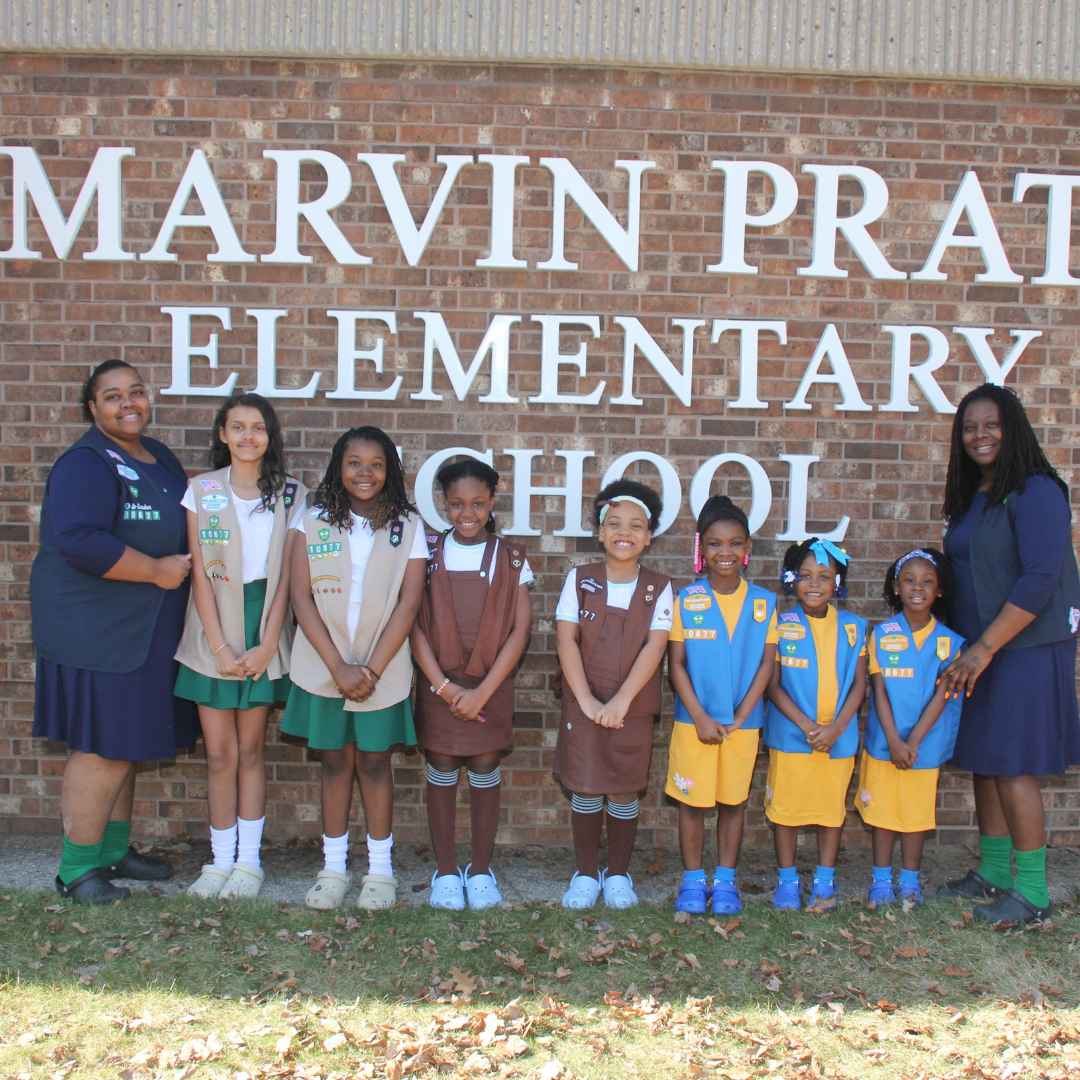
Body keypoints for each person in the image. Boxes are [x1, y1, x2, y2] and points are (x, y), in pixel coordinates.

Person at [31, 360, 195, 904]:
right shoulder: (86, 462)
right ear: (92, 408)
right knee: (102, 744)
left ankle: (112, 851)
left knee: (125, 739)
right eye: (113, 396)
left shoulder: (159, 456)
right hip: (98, 629)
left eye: (136, 392)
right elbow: (78, 539)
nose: (128, 403)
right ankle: (76, 869)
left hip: (146, 625)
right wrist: (154, 570)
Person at [938, 384, 1080, 923]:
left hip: (1023, 646)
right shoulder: (975, 493)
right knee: (986, 758)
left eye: (991, 424)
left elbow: (1041, 577)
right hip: (978, 646)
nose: (980, 435)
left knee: (1014, 763)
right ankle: (994, 872)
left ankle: (1034, 893)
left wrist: (984, 648)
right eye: (970, 427)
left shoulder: (1037, 491)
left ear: (1012, 427)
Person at [281, 426, 427, 911]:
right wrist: (339, 667)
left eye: (376, 464)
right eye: (354, 463)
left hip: (381, 669)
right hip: (325, 665)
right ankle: (334, 869)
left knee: (376, 762)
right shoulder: (313, 518)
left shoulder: (407, 524)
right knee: (333, 762)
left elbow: (409, 603)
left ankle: (380, 872)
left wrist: (371, 671)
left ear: (391, 472)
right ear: (338, 468)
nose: (365, 473)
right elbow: (300, 597)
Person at [175, 393, 307, 901]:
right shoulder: (202, 490)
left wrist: (269, 641)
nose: (248, 436)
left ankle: (249, 862)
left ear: (270, 436)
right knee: (219, 754)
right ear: (223, 435)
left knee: (251, 750)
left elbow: (290, 577)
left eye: (258, 428)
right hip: (214, 626)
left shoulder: (293, 494)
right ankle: (219, 861)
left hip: (264, 623)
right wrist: (218, 646)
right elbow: (199, 575)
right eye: (237, 427)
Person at [410, 460, 533, 910]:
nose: (468, 513)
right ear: (444, 504)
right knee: (441, 764)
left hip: (491, 686)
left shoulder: (512, 558)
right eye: (458, 504)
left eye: (478, 503)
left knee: (484, 766)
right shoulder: (424, 553)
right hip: (437, 685)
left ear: (492, 502)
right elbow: (412, 624)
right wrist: (443, 688)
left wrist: (482, 692)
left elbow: (520, 630)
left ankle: (480, 869)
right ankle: (446, 870)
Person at [553, 480, 673, 910]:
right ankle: (586, 873)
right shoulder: (579, 580)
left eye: (636, 525)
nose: (625, 532)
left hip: (632, 706)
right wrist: (587, 701)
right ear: (601, 533)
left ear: (649, 536)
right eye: (615, 524)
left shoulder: (659, 587)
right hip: (583, 701)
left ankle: (618, 873)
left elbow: (655, 645)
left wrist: (622, 701)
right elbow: (567, 641)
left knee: (623, 788)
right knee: (586, 787)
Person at [666, 495, 778, 916]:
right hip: (693, 722)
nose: (724, 552)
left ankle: (725, 881)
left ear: (748, 548)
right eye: (715, 543)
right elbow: (676, 664)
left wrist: (743, 715)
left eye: (735, 543)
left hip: (742, 725)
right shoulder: (686, 599)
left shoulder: (765, 603)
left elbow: (767, 664)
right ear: (701, 547)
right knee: (693, 803)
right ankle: (694, 881)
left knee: (733, 802)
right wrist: (699, 715)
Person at [763, 538, 867, 912]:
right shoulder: (780, 624)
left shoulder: (855, 627)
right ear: (791, 579)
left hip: (837, 738)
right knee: (786, 809)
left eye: (824, 576)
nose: (814, 584)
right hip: (793, 735)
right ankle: (787, 880)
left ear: (838, 582)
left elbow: (860, 684)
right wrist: (809, 726)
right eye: (805, 575)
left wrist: (836, 728)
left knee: (830, 809)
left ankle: (825, 880)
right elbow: (772, 684)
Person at [857, 549, 965, 904]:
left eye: (927, 581)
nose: (918, 587)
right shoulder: (881, 635)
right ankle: (881, 880)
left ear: (939, 589)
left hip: (924, 745)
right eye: (909, 580)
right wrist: (894, 740)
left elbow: (943, 695)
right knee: (883, 812)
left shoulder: (950, 642)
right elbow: (878, 690)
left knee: (916, 815)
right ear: (896, 587)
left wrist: (913, 741)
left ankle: (910, 881)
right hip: (886, 742)